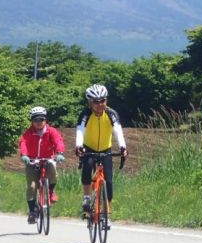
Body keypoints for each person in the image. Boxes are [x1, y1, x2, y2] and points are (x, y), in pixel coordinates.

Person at [74, 84, 128, 229]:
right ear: (90, 103)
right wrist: (79, 146)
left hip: (106, 149)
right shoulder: (85, 114)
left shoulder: (111, 114)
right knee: (87, 167)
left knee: (109, 182)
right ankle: (86, 198)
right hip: (89, 148)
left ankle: (106, 214)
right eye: (96, 101)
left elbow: (118, 131)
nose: (99, 104)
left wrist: (123, 147)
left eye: (102, 100)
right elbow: (80, 131)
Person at [19, 106, 65, 224]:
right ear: (32, 121)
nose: (38, 123)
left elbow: (58, 141)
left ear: (45, 120)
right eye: (35, 120)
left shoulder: (51, 131)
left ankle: (50, 191)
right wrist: (24, 155)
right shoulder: (29, 132)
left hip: (47, 159)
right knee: (32, 186)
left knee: (53, 172)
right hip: (32, 161)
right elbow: (23, 142)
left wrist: (59, 153)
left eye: (41, 120)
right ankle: (33, 212)